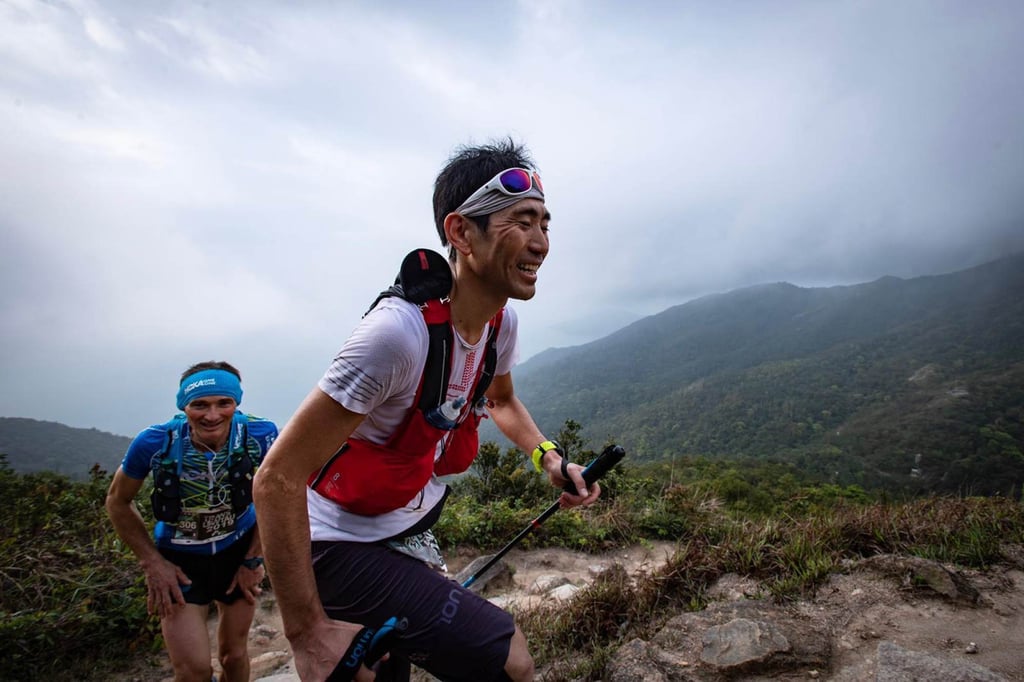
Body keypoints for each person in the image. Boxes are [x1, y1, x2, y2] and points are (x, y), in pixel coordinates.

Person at [253, 139, 602, 682]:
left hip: (404, 528)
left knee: (388, 671)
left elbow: (502, 400)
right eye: (522, 222)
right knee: (510, 660)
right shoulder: (398, 336)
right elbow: (276, 477)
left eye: (545, 224)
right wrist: (307, 634)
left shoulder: (498, 325)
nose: (541, 244)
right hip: (338, 544)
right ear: (461, 233)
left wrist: (551, 461)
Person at [106, 361, 278, 682]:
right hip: (179, 563)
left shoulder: (259, 435)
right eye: (200, 405)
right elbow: (117, 501)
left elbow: (277, 497)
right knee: (193, 671)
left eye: (223, 403)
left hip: (236, 552)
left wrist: (254, 558)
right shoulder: (156, 442)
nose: (212, 415)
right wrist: (152, 563)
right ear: (184, 405)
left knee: (234, 654)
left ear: (235, 403)